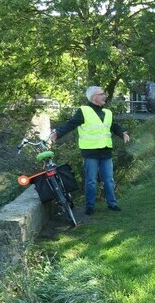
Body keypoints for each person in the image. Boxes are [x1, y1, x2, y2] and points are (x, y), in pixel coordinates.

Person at [49, 86, 130, 215]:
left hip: (106, 152)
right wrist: (57, 132)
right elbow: (71, 124)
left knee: (109, 180)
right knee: (91, 181)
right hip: (90, 152)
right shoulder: (83, 111)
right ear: (94, 97)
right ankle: (90, 206)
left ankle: (112, 204)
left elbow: (114, 126)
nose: (105, 96)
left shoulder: (107, 112)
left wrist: (123, 133)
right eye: (102, 94)